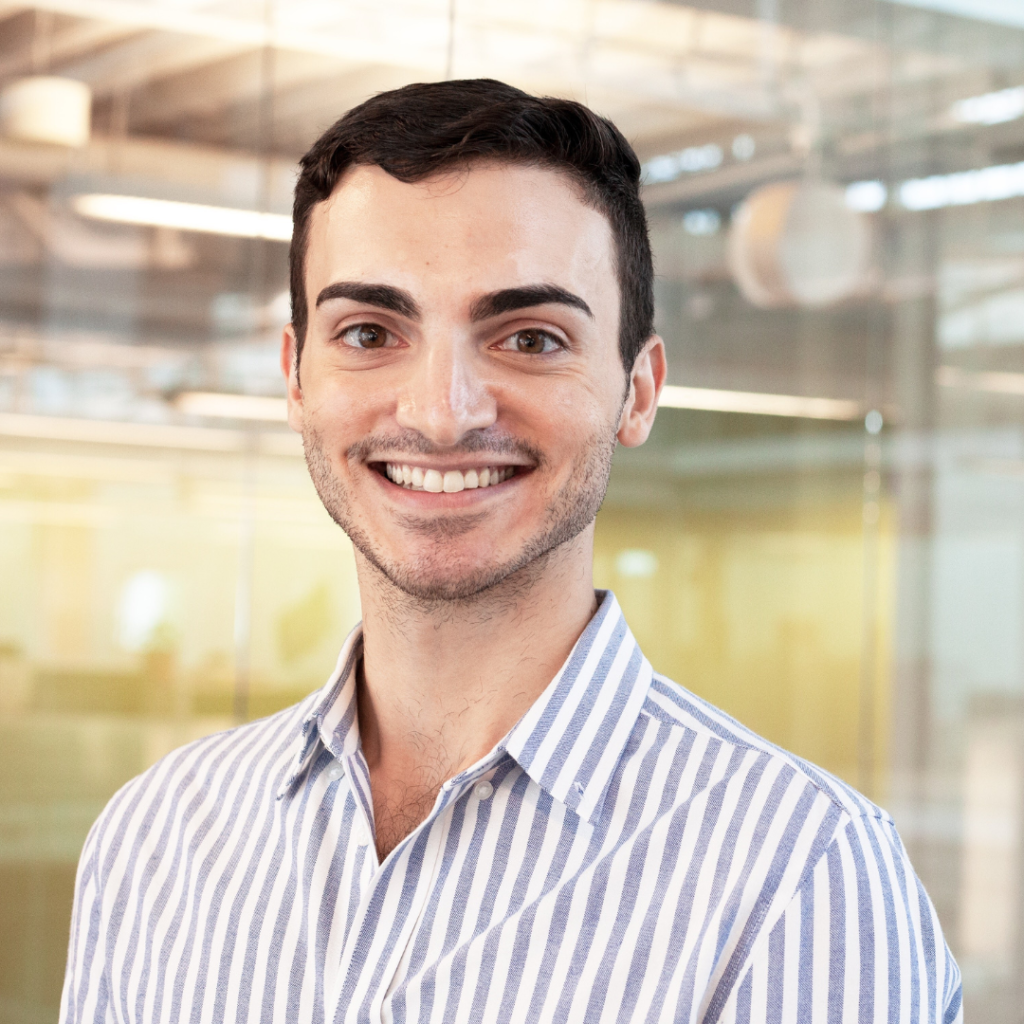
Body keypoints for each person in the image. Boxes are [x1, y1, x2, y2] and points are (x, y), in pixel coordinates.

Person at [61, 79, 961, 1024]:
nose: (441, 412)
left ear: (638, 390)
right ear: (296, 378)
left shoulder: (796, 880)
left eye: (530, 337)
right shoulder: (154, 838)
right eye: (369, 333)